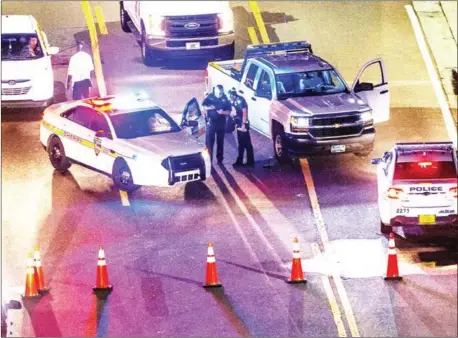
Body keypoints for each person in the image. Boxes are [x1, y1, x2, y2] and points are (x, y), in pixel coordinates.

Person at [201, 84, 231, 164]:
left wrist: (223, 112)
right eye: (218, 93)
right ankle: (208, 161)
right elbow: (203, 106)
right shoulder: (210, 97)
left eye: (221, 93)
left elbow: (228, 111)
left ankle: (220, 160)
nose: (219, 95)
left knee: (220, 143)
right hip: (211, 124)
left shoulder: (225, 99)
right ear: (215, 92)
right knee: (209, 144)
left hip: (221, 124)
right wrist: (211, 108)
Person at [228, 87, 254, 167]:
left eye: (231, 95)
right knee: (242, 144)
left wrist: (243, 124)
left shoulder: (240, 100)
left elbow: (244, 112)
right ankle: (244, 161)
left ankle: (249, 162)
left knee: (246, 144)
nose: (230, 97)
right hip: (239, 124)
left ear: (233, 94)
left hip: (243, 125)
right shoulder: (235, 100)